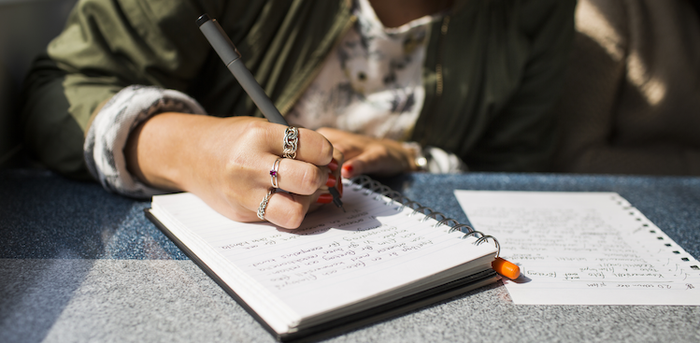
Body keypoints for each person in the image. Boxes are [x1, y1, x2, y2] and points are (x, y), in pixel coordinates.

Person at [20, 0, 576, 229]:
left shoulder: (535, 12)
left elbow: (519, 171)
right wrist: (195, 150)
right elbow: (61, 92)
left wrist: (414, 157)